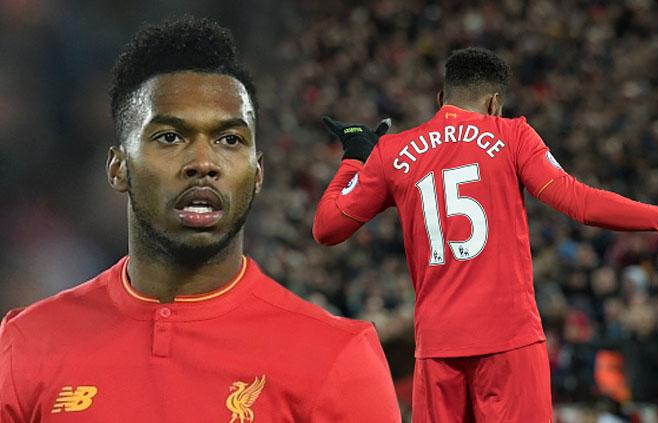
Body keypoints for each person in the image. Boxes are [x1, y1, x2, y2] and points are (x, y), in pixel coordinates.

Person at [312, 47, 658, 422]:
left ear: (440, 98)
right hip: (509, 343)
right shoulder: (511, 136)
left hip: (438, 350)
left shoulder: (393, 151)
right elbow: (583, 204)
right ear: (495, 103)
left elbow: (327, 229)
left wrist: (356, 157)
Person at [0, 17, 401, 422]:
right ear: (118, 168)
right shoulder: (26, 345)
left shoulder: (336, 359)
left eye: (230, 140)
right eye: (170, 137)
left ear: (257, 172)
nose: (204, 163)